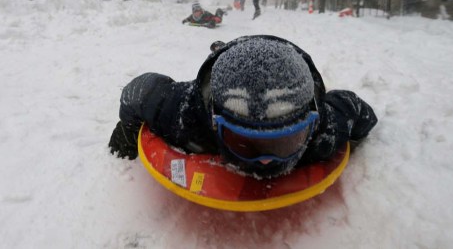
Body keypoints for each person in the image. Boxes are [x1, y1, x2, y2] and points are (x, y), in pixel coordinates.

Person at [108, 35, 378, 178]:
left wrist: (359, 130)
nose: (265, 160)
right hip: (232, 64)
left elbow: (357, 111)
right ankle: (222, 49)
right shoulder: (188, 115)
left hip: (284, 62)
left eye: (284, 142)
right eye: (243, 142)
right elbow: (140, 91)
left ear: (311, 125)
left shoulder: (323, 129)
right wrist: (128, 132)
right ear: (214, 123)